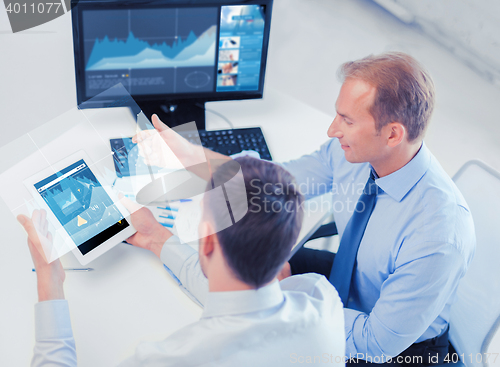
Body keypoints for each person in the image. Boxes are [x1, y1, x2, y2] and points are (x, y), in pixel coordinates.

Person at [134, 52, 475, 365]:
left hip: (398, 350)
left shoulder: (438, 234)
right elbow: (269, 185)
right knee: (241, 267)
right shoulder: (355, 155)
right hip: (352, 280)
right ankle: (156, 239)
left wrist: (279, 303)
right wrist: (190, 154)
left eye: (347, 120)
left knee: (245, 296)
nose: (332, 130)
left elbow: (375, 342)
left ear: (392, 135)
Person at [18, 156, 346, 366]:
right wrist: (157, 238)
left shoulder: (172, 358)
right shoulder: (321, 298)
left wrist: (49, 279)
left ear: (206, 243)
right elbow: (241, 301)